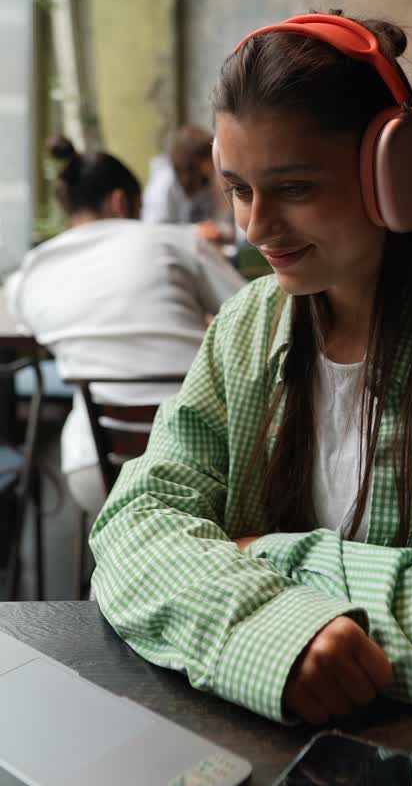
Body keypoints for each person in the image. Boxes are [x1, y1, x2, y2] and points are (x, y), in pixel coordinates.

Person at [90, 11, 412, 726]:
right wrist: (280, 635)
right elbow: (131, 528)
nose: (254, 227)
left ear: (397, 173)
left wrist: (259, 558)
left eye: (294, 187)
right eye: (239, 188)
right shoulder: (245, 327)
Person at [6, 137, 243, 520]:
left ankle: (115, 570)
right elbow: (253, 313)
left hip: (99, 467)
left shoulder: (32, 271)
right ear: (122, 202)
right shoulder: (176, 242)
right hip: (210, 458)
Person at [142, 124, 234, 244]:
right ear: (196, 160)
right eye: (210, 157)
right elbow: (155, 230)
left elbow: (224, 220)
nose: (216, 161)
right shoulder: (164, 185)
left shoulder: (210, 179)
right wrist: (196, 231)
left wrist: (219, 231)